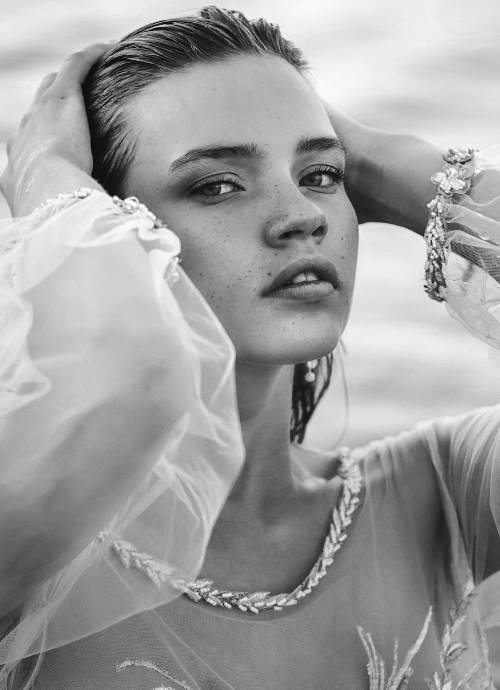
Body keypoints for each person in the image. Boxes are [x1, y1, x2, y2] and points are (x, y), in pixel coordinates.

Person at [1, 6, 500, 689]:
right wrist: (45, 183)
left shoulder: (448, 491)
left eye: (321, 176)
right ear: (106, 228)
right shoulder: (28, 549)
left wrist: (383, 163)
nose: (302, 216)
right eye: (217, 185)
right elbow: (129, 378)